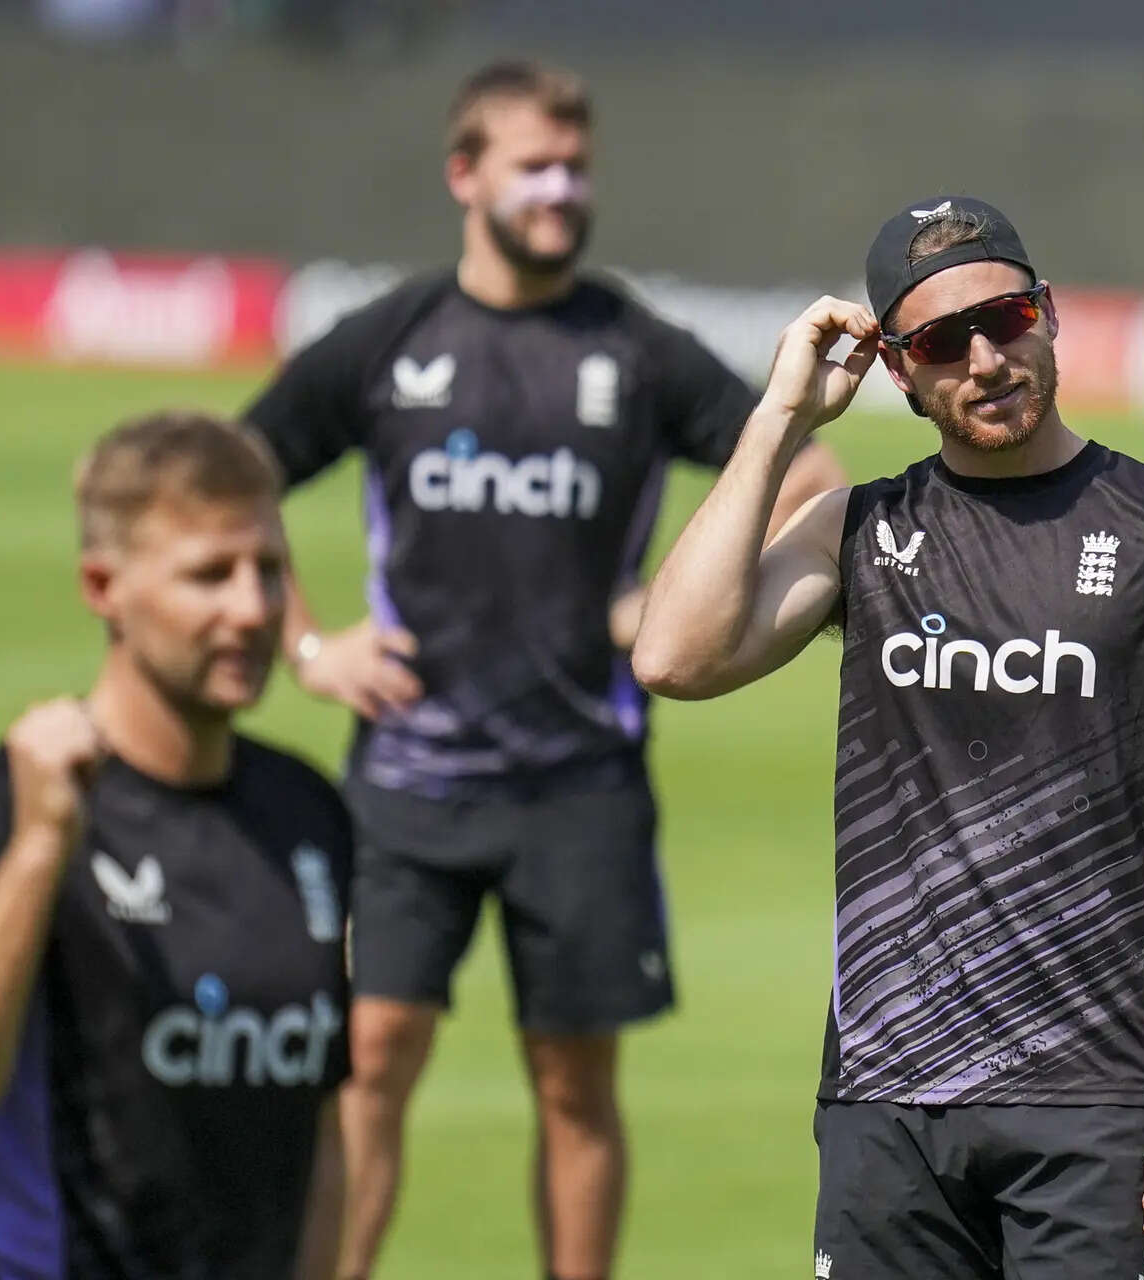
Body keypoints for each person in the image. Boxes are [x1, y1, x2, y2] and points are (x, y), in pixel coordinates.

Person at [240, 59, 844, 1280]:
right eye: (534, 166)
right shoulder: (393, 337)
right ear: (465, 175)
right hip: (406, 781)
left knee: (574, 1084)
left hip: (581, 783)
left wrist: (674, 601)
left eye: (576, 166)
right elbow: (232, 473)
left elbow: (812, 477)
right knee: (368, 1058)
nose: (561, 189)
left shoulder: (635, 347)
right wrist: (306, 644)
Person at [632, 196, 1144, 1280]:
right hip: (885, 1101)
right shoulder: (860, 529)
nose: (986, 360)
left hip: (1097, 1104)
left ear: (1048, 313)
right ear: (898, 370)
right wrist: (782, 417)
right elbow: (672, 656)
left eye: (1007, 318)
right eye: (941, 342)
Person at [0, 412, 352, 1279]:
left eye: (269, 570)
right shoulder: (2, 811)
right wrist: (40, 849)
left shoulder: (307, 815)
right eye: (209, 575)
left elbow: (320, 1132)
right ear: (102, 586)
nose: (251, 609)